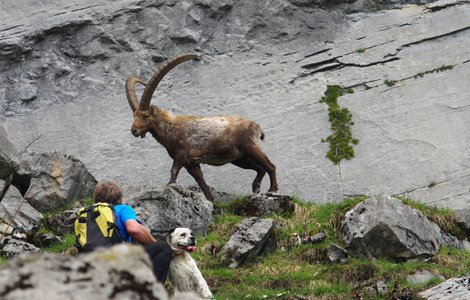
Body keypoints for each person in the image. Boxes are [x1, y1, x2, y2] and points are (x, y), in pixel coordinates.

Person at [93, 181, 173, 284]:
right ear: (119, 197)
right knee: (164, 248)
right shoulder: (122, 209)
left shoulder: (87, 213)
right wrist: (154, 242)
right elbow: (134, 229)